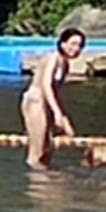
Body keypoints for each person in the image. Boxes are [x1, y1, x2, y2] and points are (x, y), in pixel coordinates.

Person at [23, 25, 90, 166]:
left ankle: (45, 179)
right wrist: (57, 113)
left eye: (80, 45)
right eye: (73, 44)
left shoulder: (65, 64)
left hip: (47, 103)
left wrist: (63, 118)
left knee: (48, 148)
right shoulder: (53, 58)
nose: (76, 48)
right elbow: (46, 85)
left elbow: (56, 91)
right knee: (38, 150)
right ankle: (37, 182)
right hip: (35, 101)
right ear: (62, 43)